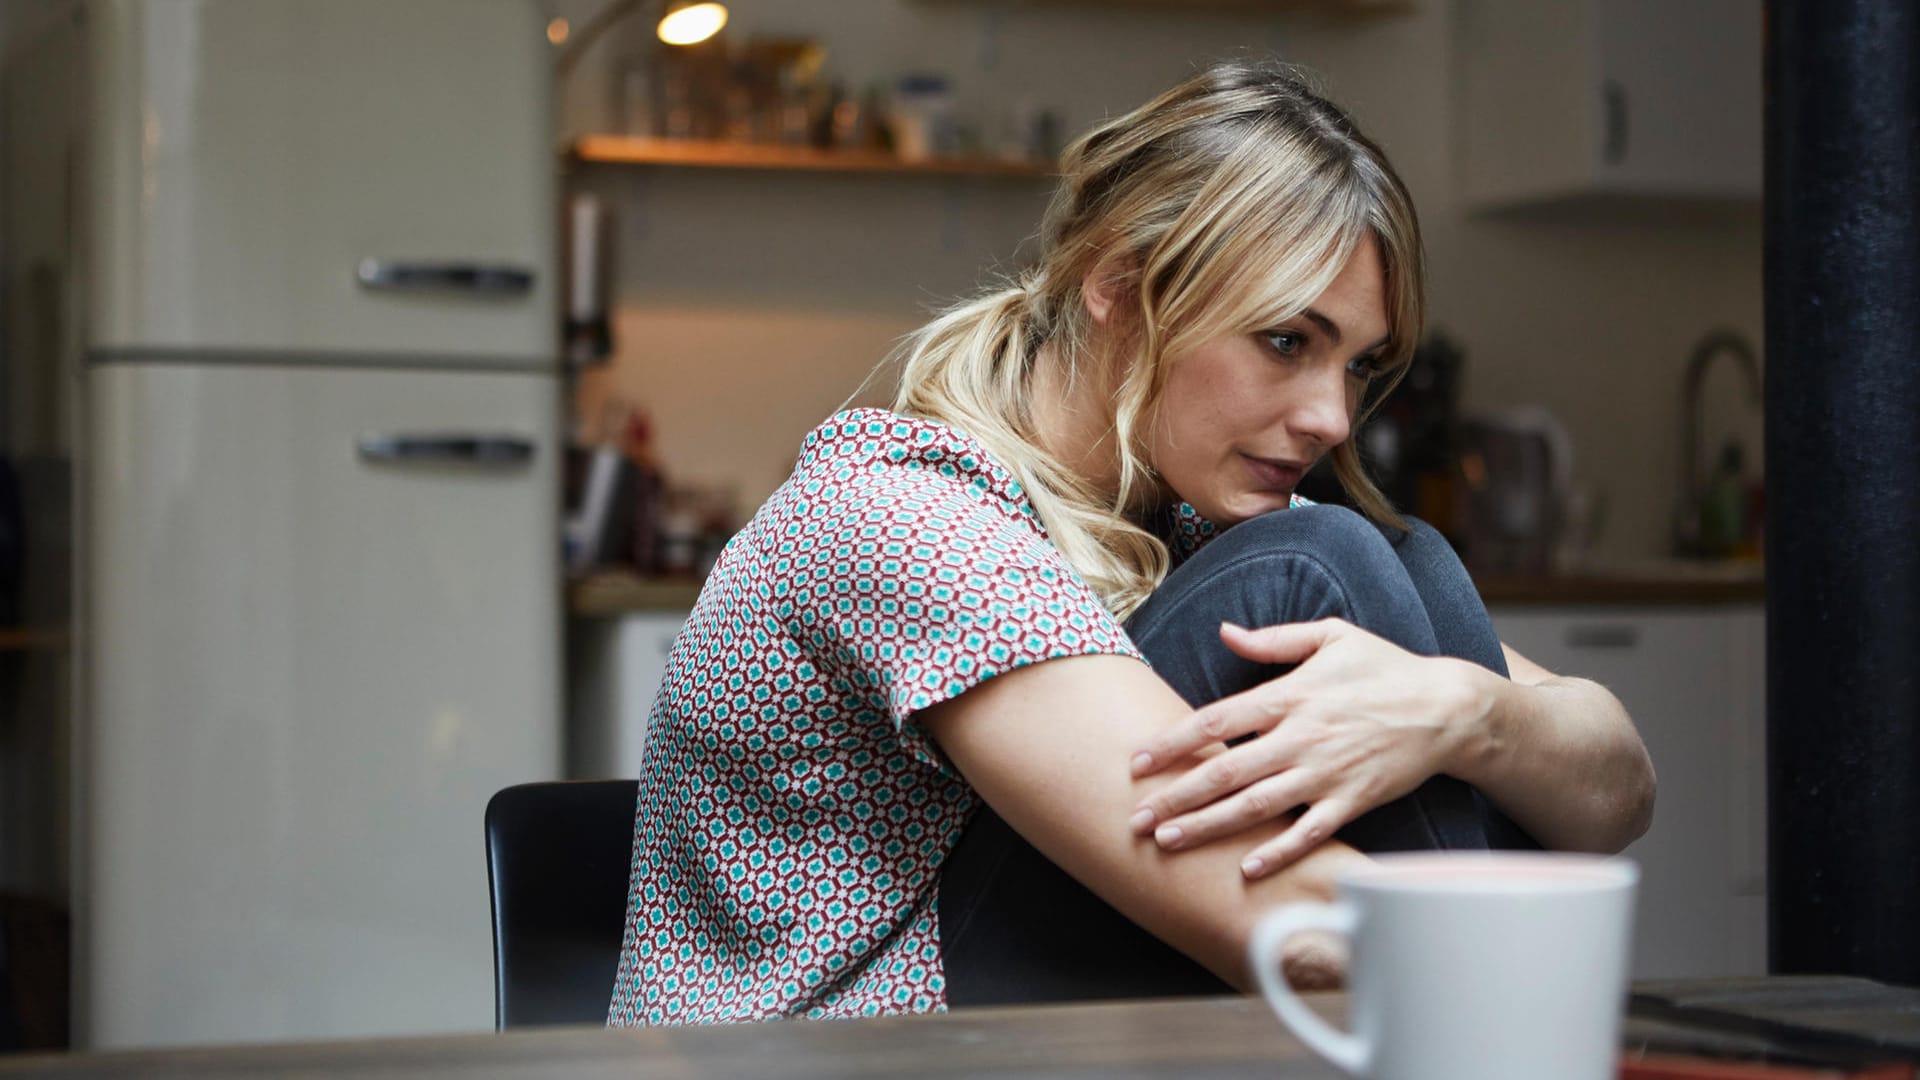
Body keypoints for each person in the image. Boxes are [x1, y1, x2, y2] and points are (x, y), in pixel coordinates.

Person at [606, 59, 1655, 1026]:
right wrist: (1527, 951)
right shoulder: (903, 520)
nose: (1333, 417)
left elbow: (1620, 790)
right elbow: (1294, 931)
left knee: (1403, 554)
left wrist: (1469, 714)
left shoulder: (1193, 510)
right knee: (1325, 560)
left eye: (1357, 366)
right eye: (1286, 342)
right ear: (1117, 284)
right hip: (848, 1053)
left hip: (1026, 1035)